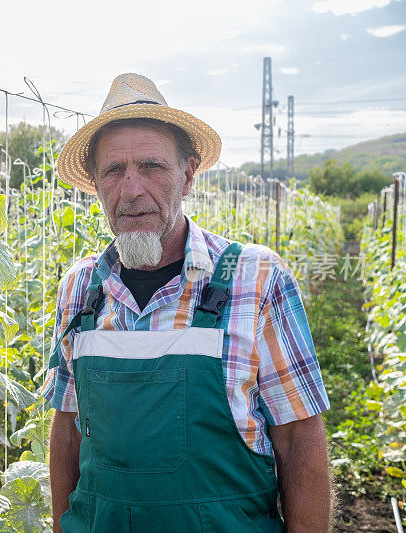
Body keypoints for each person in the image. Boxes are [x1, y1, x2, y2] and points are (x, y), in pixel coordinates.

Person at [41, 73, 331, 532]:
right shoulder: (81, 290)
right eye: (114, 170)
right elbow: (68, 430)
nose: (132, 189)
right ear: (95, 184)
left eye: (152, 166)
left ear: (188, 174)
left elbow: (299, 439)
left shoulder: (255, 279)